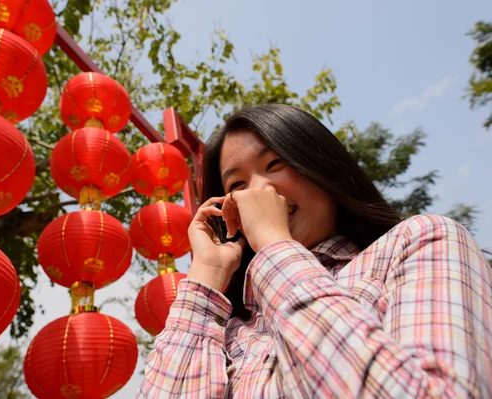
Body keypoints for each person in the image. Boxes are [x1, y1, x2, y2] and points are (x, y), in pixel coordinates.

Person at [136, 104, 492, 398]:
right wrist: (207, 277)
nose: (257, 192)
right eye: (237, 185)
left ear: (321, 166)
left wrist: (276, 247)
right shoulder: (230, 331)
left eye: (275, 164)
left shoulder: (418, 242)